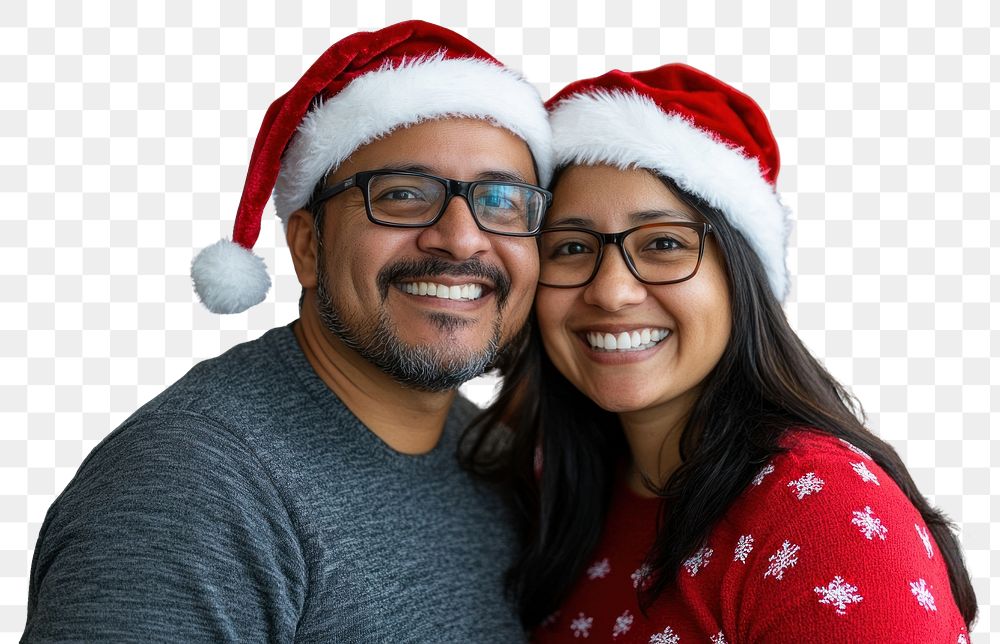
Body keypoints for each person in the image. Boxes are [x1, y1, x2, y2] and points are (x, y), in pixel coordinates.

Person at [23, 21, 552, 642]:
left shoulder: (489, 456)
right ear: (306, 246)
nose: (462, 238)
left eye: (501, 201)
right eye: (404, 193)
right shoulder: (193, 486)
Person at [464, 64, 976, 641]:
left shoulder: (821, 510)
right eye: (572, 247)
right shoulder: (549, 483)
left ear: (739, 276)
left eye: (662, 243)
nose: (610, 292)